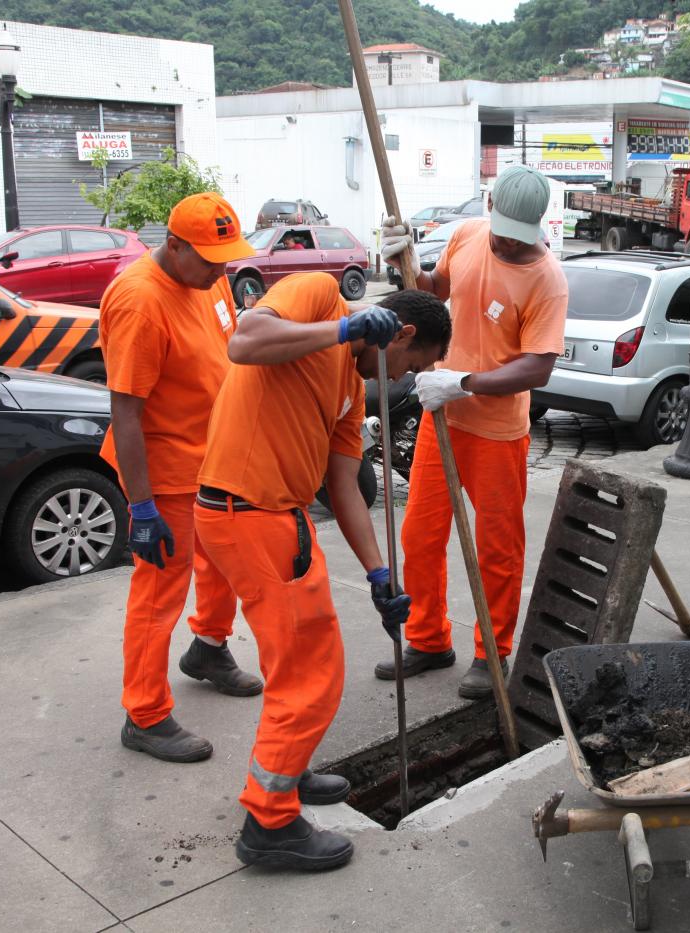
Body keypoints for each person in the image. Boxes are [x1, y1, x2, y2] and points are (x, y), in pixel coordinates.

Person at [194, 273, 451, 871]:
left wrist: (379, 573)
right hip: (245, 512)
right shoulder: (318, 296)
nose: (405, 381)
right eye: (411, 366)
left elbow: (343, 486)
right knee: (311, 674)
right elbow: (244, 342)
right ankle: (270, 822)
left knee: (305, 660)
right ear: (401, 333)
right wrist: (344, 327)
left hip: (280, 518)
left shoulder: (351, 391)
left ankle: (290, 765)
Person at [375, 164, 569, 699]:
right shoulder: (467, 236)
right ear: (490, 206)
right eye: (502, 229)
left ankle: (493, 651)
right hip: (445, 420)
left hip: (497, 431)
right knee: (419, 535)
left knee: (497, 549)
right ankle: (429, 638)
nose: (507, 243)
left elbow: (538, 368)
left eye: (519, 236)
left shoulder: (547, 279)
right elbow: (435, 291)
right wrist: (402, 262)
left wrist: (462, 381)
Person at [101, 192, 263, 765]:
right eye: (210, 258)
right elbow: (126, 411)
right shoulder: (141, 302)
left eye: (226, 257)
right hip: (164, 469)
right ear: (173, 245)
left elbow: (230, 347)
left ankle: (209, 648)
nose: (222, 270)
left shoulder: (209, 277)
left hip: (216, 453)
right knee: (158, 590)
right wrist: (141, 507)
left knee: (222, 560)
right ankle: (144, 714)